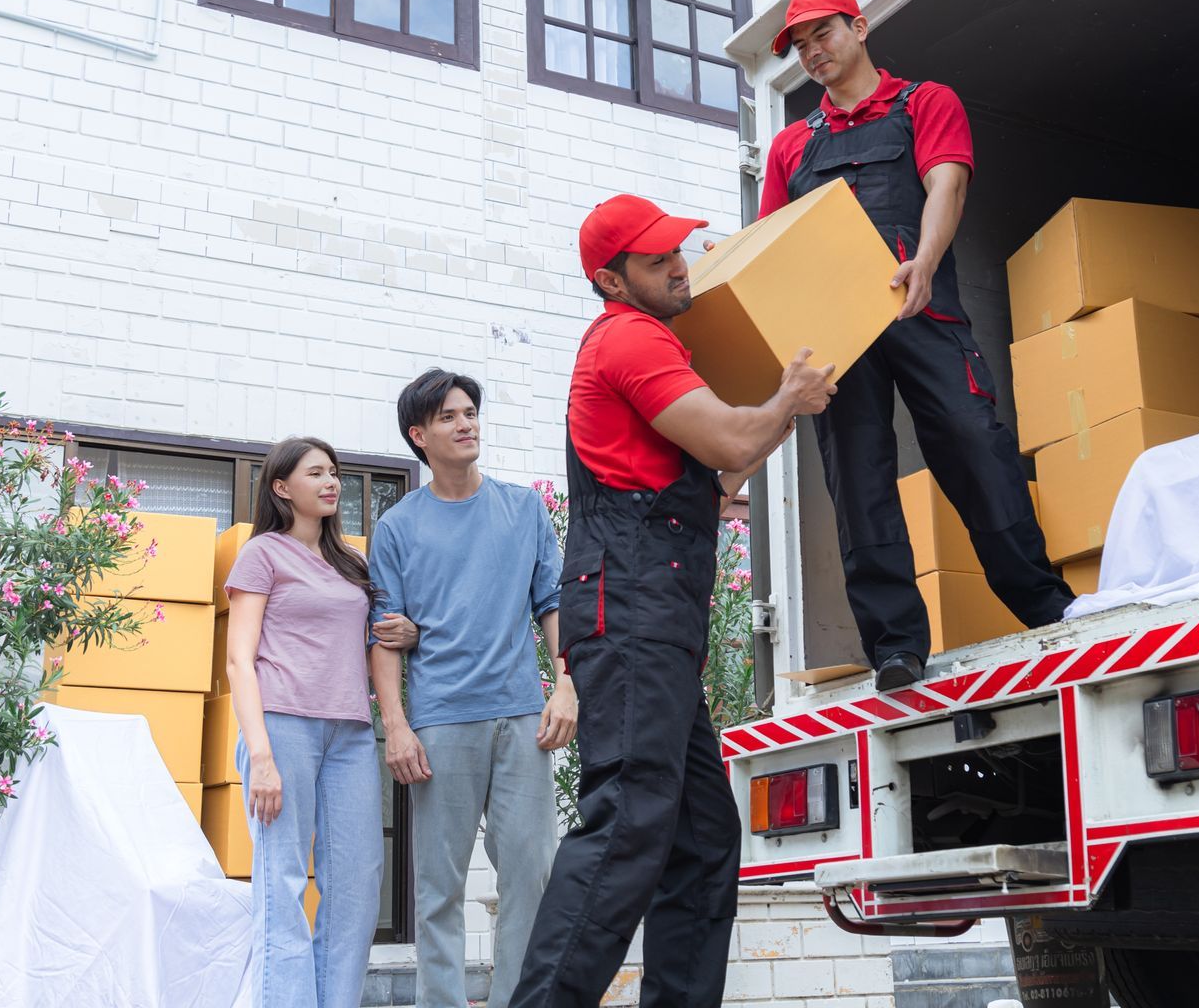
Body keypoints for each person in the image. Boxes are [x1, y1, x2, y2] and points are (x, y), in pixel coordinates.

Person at [511, 194, 837, 1008]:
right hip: (632, 615)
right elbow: (731, 441)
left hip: (654, 618)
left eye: (678, 251)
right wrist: (781, 404)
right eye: (657, 261)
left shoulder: (652, 340)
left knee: (698, 837)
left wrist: (778, 414)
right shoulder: (629, 339)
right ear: (611, 280)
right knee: (628, 823)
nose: (680, 265)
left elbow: (721, 472)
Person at [760, 0, 1073, 692]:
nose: (813, 53)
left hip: (920, 309)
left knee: (972, 442)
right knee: (860, 479)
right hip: (839, 333)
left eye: (823, 36)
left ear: (860, 28)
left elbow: (946, 184)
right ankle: (896, 644)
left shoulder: (925, 102)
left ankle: (1043, 604)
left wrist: (925, 262)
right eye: (801, 47)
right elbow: (770, 244)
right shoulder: (790, 145)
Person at [368, 368, 576, 1008]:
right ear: (419, 435)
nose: (466, 424)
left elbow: (552, 605)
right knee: (439, 888)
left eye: (470, 413)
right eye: (449, 417)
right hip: (440, 723)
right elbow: (383, 634)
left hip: (521, 717)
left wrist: (565, 687)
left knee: (533, 876)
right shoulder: (398, 527)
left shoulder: (523, 509)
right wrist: (397, 725)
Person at [223, 436, 414, 1008]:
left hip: (351, 733)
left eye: (333, 471)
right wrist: (259, 756)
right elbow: (240, 658)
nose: (331, 482)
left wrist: (407, 634)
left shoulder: (351, 563)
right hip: (281, 729)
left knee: (357, 885)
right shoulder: (262, 555)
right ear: (282, 488)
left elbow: (373, 640)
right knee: (282, 883)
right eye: (316, 473)